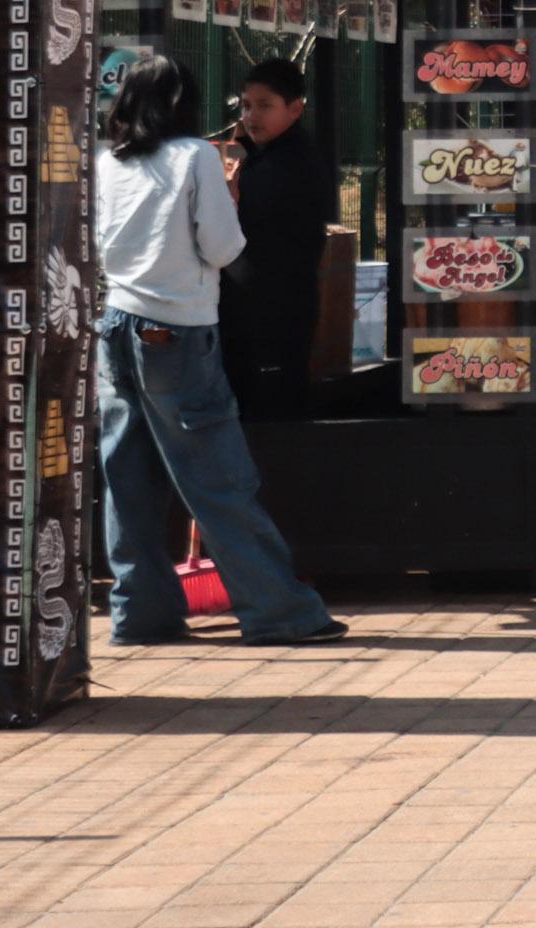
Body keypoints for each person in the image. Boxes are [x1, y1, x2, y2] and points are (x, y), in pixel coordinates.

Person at [93, 54, 343, 646]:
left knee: (127, 475)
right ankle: (279, 609)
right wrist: (228, 197)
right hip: (178, 332)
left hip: (116, 323)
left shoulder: (108, 161)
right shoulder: (197, 157)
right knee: (218, 477)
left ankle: (141, 612)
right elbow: (226, 249)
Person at [219, 57, 342, 419]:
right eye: (246, 106)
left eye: (265, 106)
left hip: (269, 310)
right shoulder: (275, 156)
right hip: (275, 306)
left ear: (295, 108)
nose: (251, 116)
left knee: (268, 418)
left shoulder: (284, 165)